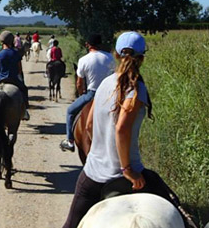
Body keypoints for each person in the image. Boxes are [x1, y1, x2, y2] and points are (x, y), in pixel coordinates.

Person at [62, 32, 191, 228]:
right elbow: (121, 128)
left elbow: (88, 126)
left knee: (70, 225)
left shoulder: (105, 83)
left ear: (116, 54)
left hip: (93, 174)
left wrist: (99, 155)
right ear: (142, 58)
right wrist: (127, 170)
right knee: (182, 217)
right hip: (127, 173)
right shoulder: (136, 88)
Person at [60, 33, 115, 152]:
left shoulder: (83, 60)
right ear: (100, 44)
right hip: (109, 95)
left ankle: (70, 141)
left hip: (92, 94)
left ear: (88, 45)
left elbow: (79, 83)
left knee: (70, 111)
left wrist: (82, 95)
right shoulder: (110, 57)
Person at [0, 31, 30, 121]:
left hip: (0, 78)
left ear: (2, 42)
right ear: (11, 41)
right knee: (24, 89)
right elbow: (19, 69)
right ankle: (25, 111)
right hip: (14, 79)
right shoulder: (16, 54)